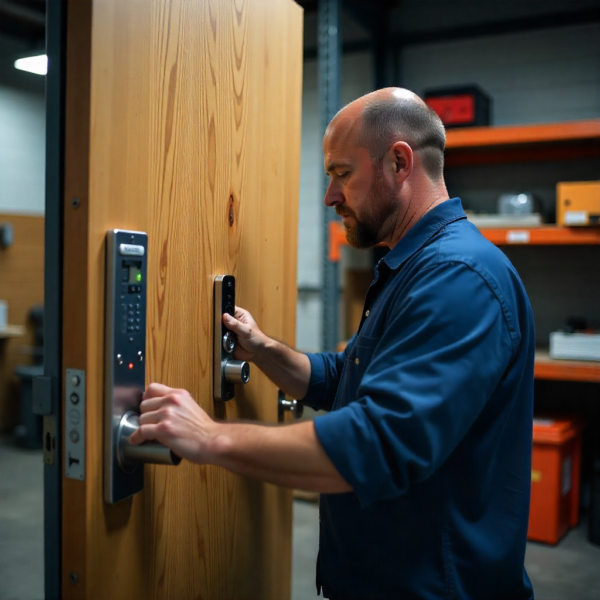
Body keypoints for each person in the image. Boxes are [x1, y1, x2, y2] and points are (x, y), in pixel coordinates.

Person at [130, 88, 535, 600]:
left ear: (399, 161)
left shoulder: (458, 277)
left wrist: (210, 437)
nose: (330, 196)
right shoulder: (412, 265)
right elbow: (351, 378)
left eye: (342, 173)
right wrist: (263, 349)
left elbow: (379, 443)